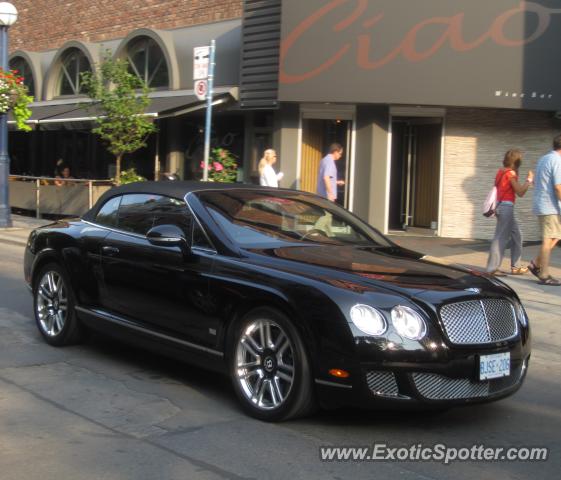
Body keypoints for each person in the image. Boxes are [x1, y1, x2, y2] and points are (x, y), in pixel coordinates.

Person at [486, 149, 533, 276]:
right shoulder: (510, 173)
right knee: (500, 238)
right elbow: (520, 192)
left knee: (517, 235)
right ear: (516, 161)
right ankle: (492, 268)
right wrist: (529, 180)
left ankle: (515, 267)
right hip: (506, 207)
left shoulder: (501, 172)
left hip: (501, 207)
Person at [528, 135, 561, 286]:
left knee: (556, 236)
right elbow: (558, 187)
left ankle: (535, 264)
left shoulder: (544, 158)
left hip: (542, 205)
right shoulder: (557, 160)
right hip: (549, 206)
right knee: (548, 240)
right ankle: (544, 274)